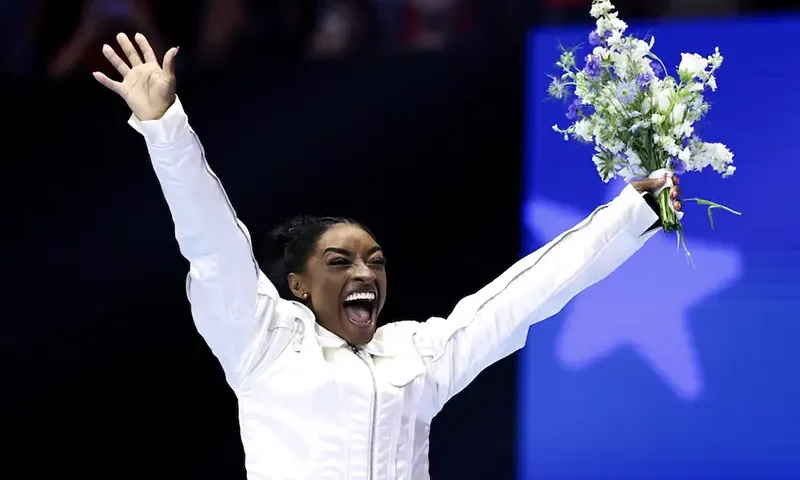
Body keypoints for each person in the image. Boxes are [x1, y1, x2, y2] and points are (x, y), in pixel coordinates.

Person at [93, 33, 683, 480]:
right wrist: (165, 129)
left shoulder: (417, 355)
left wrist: (631, 212)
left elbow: (526, 296)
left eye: (374, 261)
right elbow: (212, 244)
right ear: (296, 284)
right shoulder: (261, 341)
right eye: (340, 261)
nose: (364, 273)